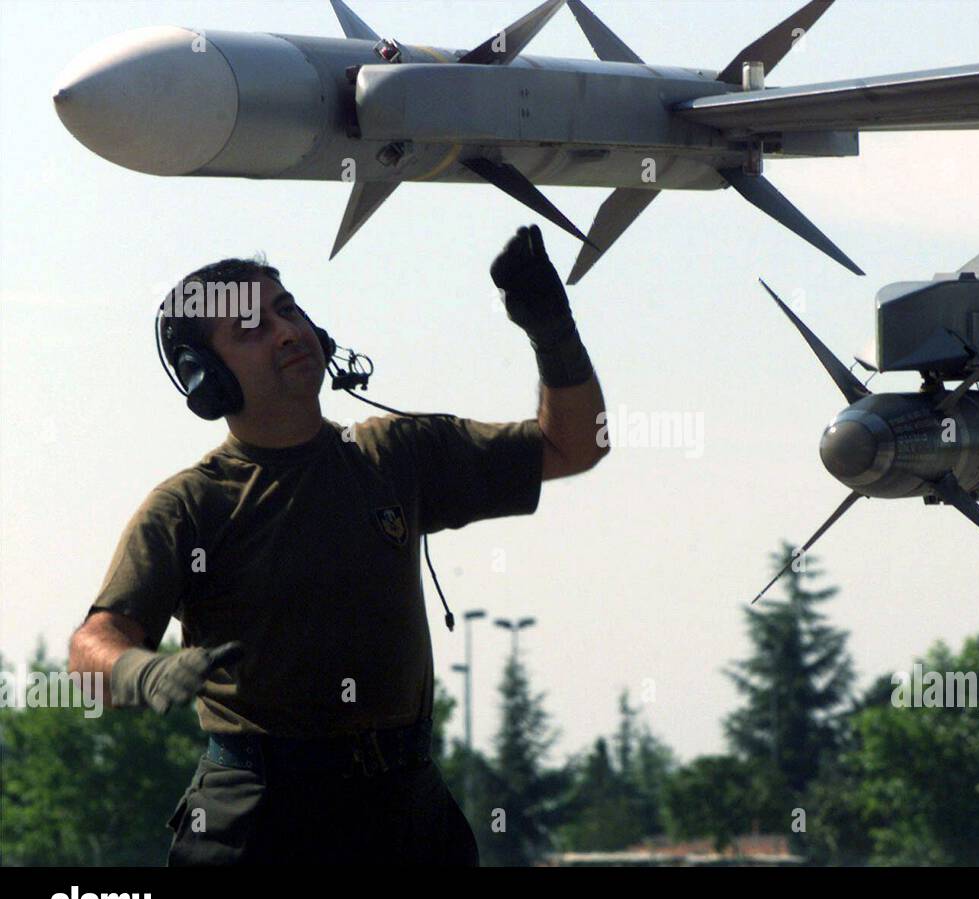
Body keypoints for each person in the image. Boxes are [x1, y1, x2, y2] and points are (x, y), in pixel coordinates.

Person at [67, 225, 608, 865]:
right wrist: (143, 670)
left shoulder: (394, 456)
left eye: (288, 309)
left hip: (404, 809)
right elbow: (88, 654)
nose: (287, 332)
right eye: (251, 330)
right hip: (260, 818)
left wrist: (551, 329)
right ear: (206, 380)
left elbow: (575, 444)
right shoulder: (194, 503)